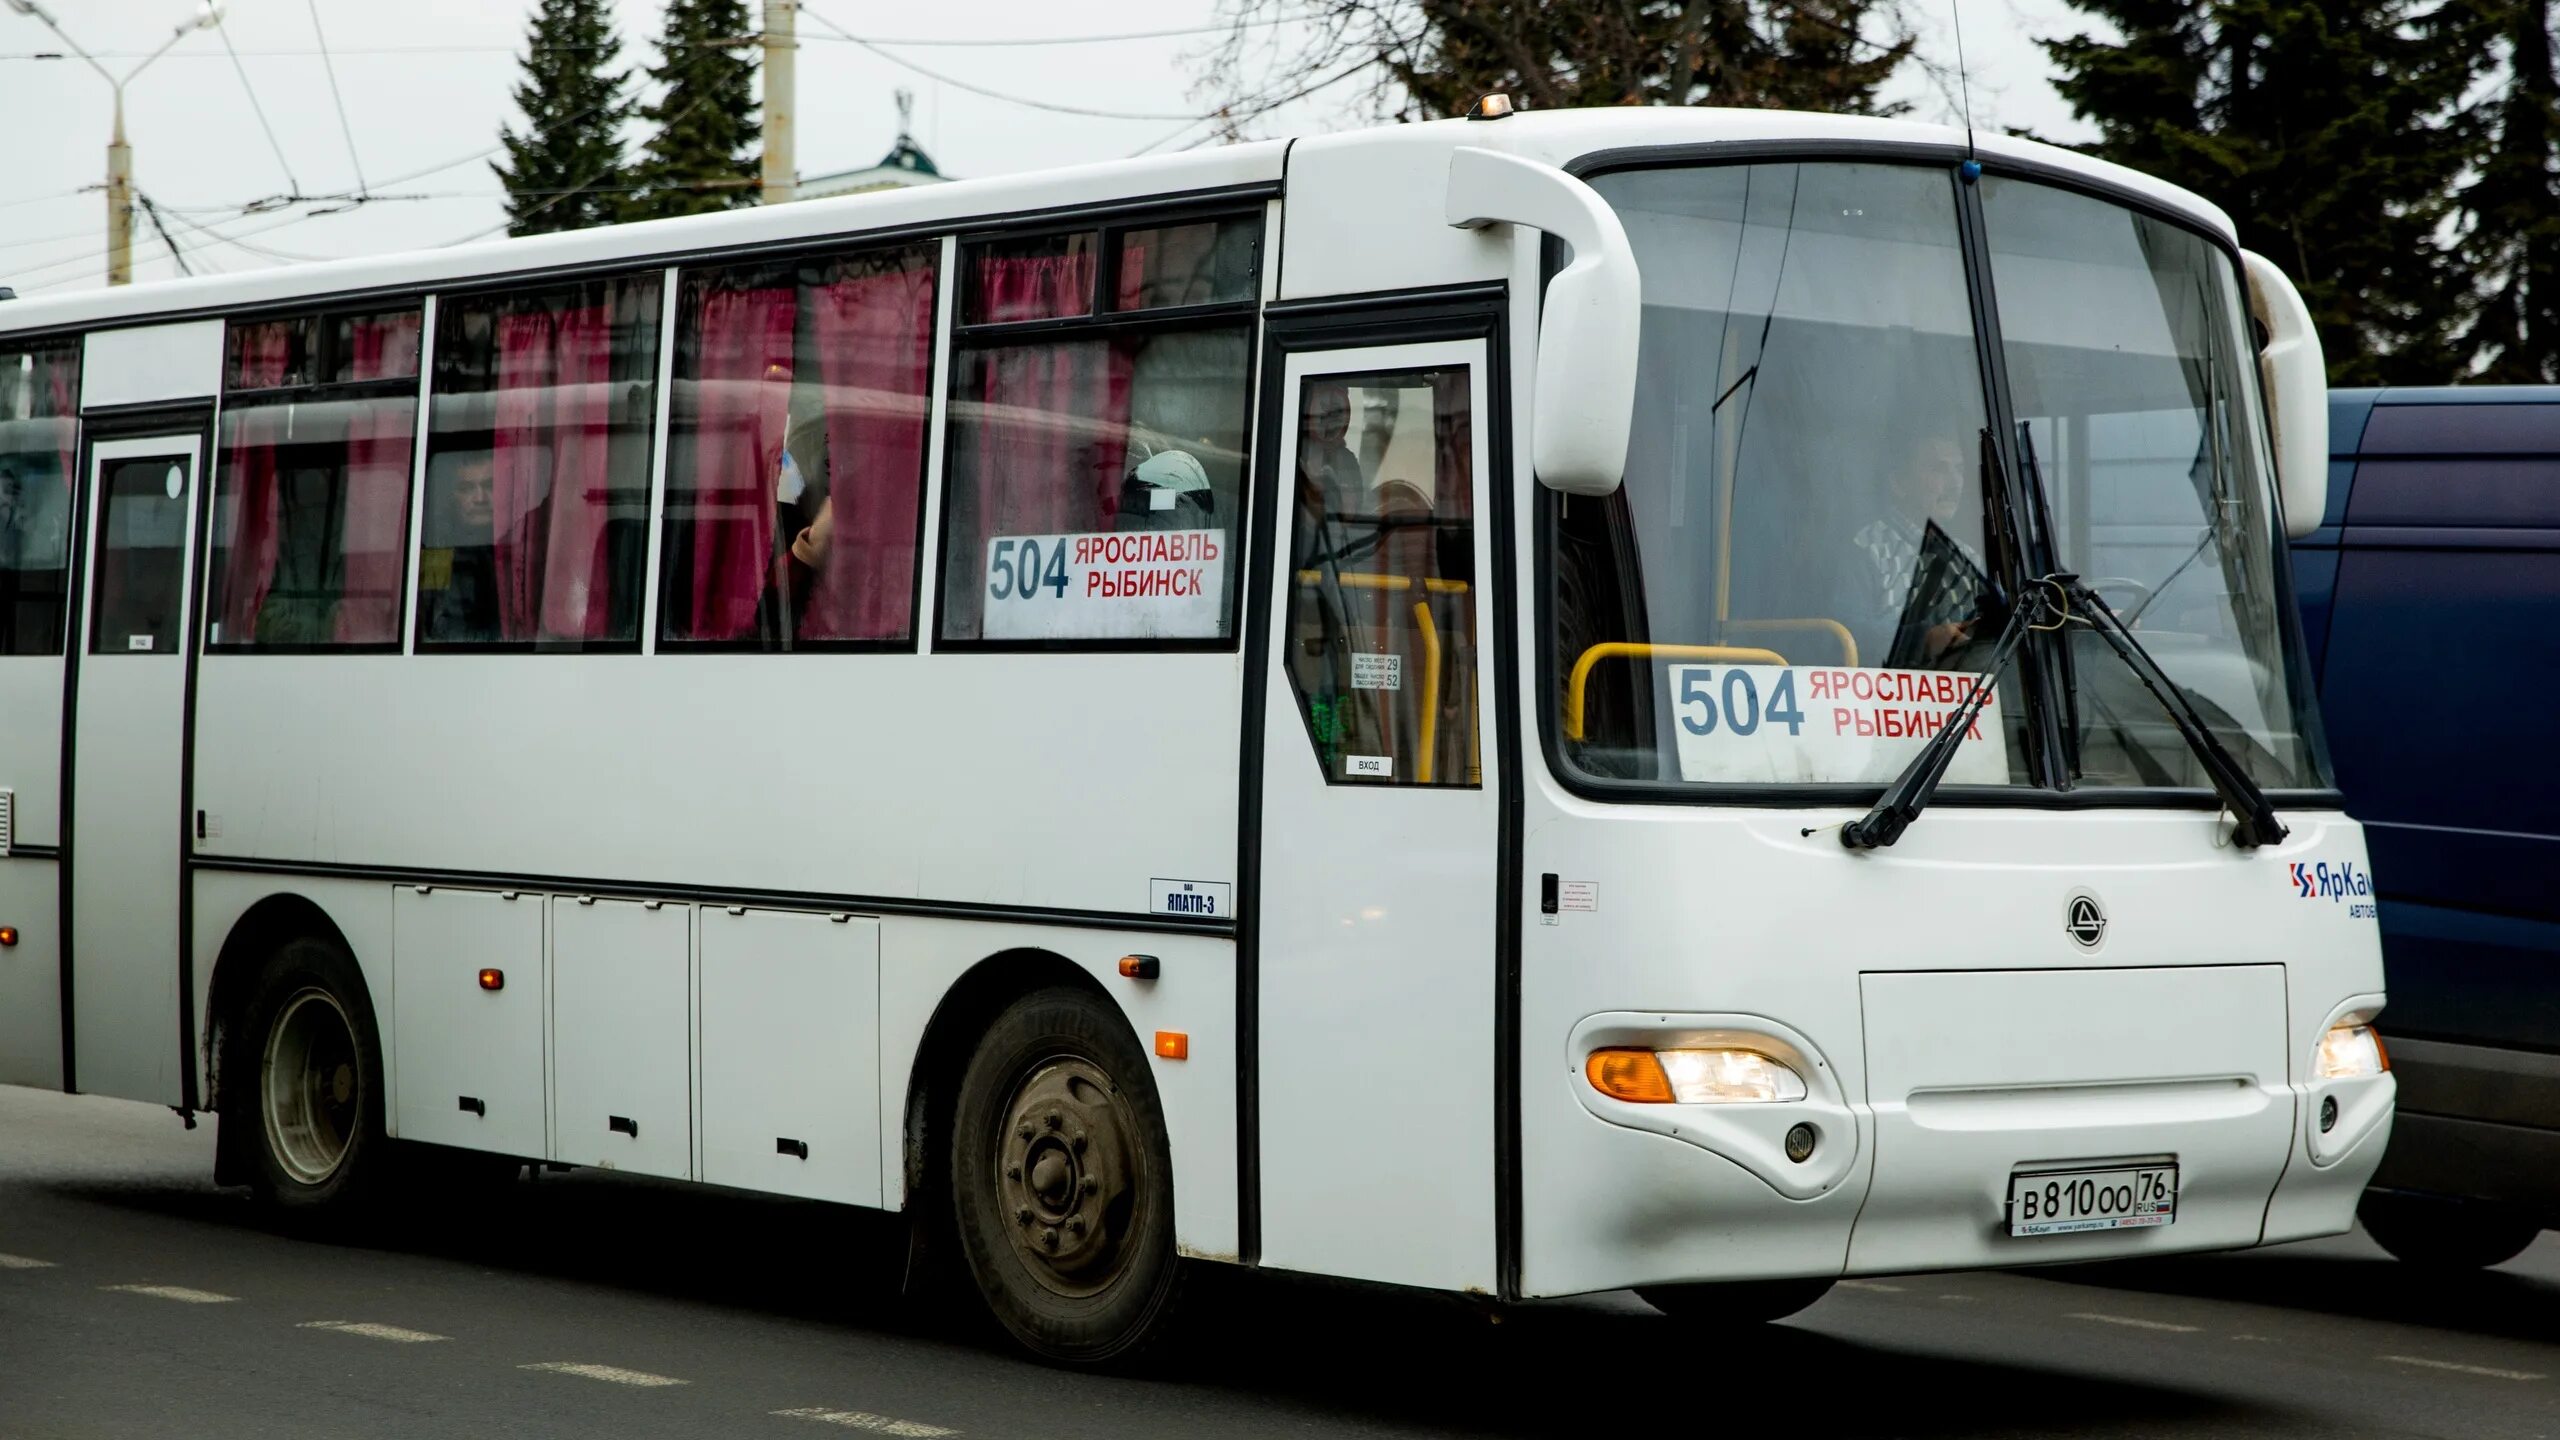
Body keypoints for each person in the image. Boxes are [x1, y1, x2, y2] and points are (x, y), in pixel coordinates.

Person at [1854, 435, 1984, 664]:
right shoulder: (1868, 547)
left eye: (1959, 470)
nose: (1955, 484)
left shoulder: (1970, 559)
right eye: (1938, 469)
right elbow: (1849, 629)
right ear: (1899, 482)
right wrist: (1924, 639)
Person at [420, 449, 501, 642]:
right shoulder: (438, 548)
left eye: (489, 486)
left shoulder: (519, 549)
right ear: (454, 496)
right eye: (467, 488)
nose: (480, 498)